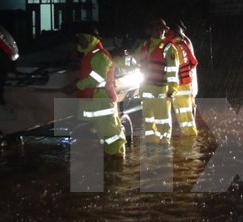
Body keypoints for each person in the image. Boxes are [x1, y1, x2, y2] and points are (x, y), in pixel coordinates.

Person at [63, 23, 126, 157]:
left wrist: (76, 86)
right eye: (78, 38)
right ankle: (112, 165)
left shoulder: (100, 55)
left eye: (82, 37)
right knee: (103, 135)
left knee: (112, 135)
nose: (80, 41)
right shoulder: (91, 54)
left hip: (101, 101)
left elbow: (97, 78)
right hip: (93, 101)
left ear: (90, 38)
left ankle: (117, 161)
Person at [136, 18, 179, 144]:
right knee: (148, 122)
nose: (159, 31)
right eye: (156, 29)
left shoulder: (169, 47)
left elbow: (172, 72)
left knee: (163, 122)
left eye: (161, 29)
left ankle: (164, 150)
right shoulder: (145, 45)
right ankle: (151, 147)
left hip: (161, 92)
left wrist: (172, 90)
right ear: (150, 31)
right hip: (146, 92)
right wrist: (113, 60)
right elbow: (133, 60)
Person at [166, 20, 199, 136]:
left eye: (167, 31)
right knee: (187, 116)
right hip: (187, 84)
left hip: (180, 86)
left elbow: (173, 69)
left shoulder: (174, 47)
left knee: (185, 118)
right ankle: (189, 141)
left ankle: (189, 144)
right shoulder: (184, 42)